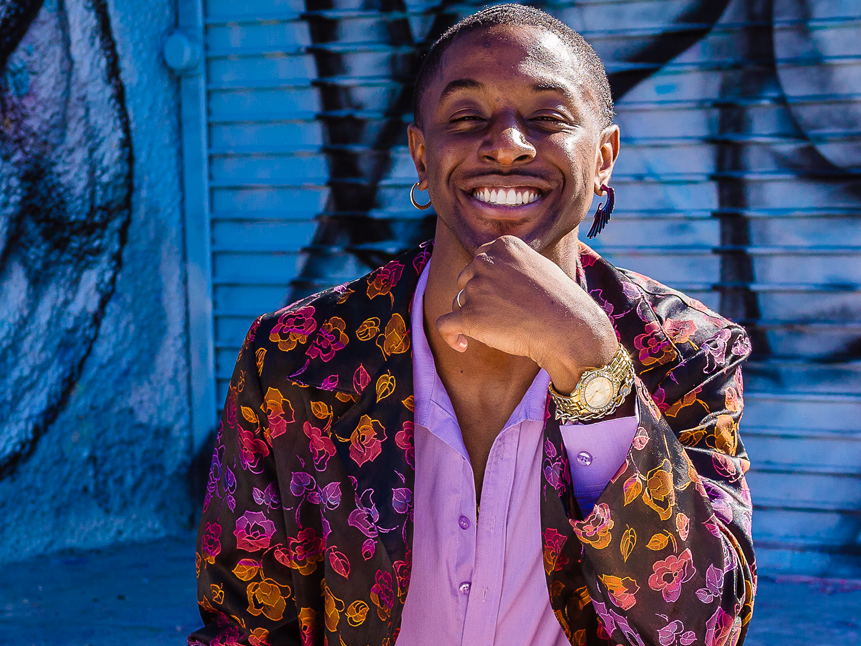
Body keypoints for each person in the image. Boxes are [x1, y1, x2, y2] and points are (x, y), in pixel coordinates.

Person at [189, 5, 755, 646]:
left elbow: (701, 630)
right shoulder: (297, 359)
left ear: (604, 157)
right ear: (421, 156)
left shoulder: (682, 353)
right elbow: (244, 626)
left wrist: (592, 367)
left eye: (548, 118)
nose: (507, 144)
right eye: (466, 118)